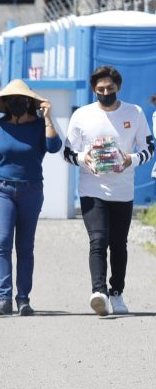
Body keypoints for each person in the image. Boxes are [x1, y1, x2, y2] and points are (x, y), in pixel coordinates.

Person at [63, 66, 154, 316]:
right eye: (100, 89)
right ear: (94, 90)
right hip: (91, 188)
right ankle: (99, 292)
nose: (105, 93)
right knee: (98, 240)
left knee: (119, 244)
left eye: (110, 89)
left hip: (123, 190)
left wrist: (131, 159)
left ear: (118, 88)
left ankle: (117, 292)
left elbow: (149, 147)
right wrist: (84, 158)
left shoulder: (134, 113)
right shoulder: (82, 115)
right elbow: (67, 152)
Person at [0, 80, 61, 316]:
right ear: (5, 103)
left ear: (30, 102)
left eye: (22, 100)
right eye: (12, 100)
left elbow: (54, 146)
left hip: (31, 190)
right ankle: (3, 298)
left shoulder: (38, 126)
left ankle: (23, 299)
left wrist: (47, 118)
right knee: (3, 243)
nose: (17, 103)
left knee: (25, 247)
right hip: (2, 189)